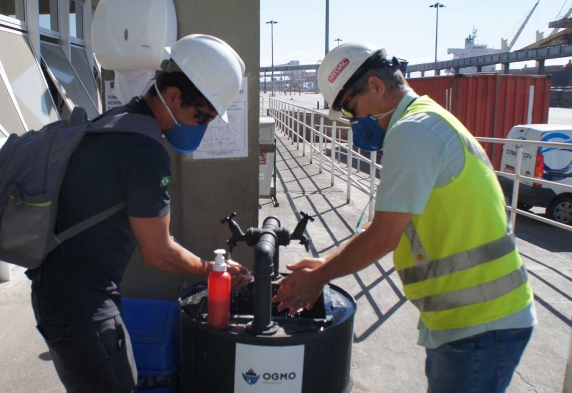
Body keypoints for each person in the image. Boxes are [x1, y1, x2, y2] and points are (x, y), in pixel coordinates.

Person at [274, 42, 536, 393]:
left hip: (480, 324)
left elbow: (384, 236)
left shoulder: (414, 131)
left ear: (377, 87)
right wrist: (325, 264)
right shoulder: (426, 120)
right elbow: (385, 224)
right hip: (470, 321)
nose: (354, 121)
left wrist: (319, 277)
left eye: (350, 108)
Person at [27, 34, 252, 393]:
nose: (202, 128)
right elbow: (159, 252)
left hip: (60, 294)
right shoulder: (145, 149)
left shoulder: (118, 120)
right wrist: (212, 271)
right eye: (201, 117)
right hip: (82, 306)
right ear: (174, 96)